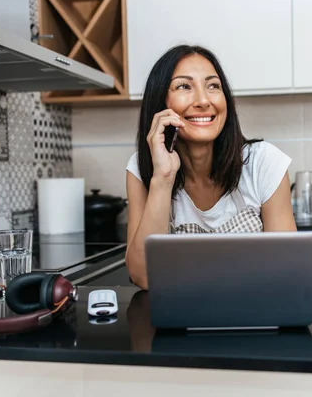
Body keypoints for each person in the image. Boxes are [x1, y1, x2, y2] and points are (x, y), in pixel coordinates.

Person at [125, 45, 297, 290]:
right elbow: (143, 277)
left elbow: (287, 270)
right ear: (160, 103)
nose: (204, 100)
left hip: (254, 316)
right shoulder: (141, 169)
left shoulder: (263, 162)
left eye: (213, 86)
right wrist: (163, 177)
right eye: (184, 86)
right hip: (178, 321)